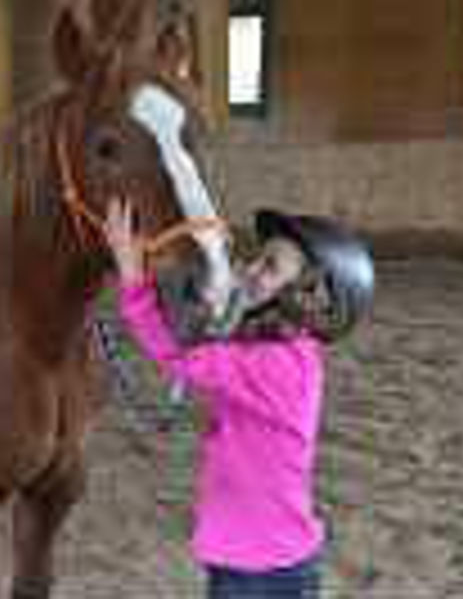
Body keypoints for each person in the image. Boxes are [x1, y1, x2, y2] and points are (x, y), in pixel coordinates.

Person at [104, 199, 374, 599]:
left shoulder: (275, 366)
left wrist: (132, 278)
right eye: (258, 259)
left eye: (270, 267)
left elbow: (177, 355)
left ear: (308, 295)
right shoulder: (285, 352)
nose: (250, 270)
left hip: (255, 569)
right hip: (265, 557)